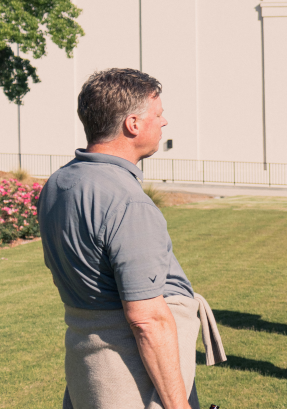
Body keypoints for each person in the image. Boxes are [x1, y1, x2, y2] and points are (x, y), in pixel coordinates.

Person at [40, 69, 200, 408]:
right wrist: (177, 404)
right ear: (133, 124)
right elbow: (147, 319)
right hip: (131, 378)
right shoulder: (126, 199)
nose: (165, 122)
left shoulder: (58, 183)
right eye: (158, 115)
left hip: (90, 369)